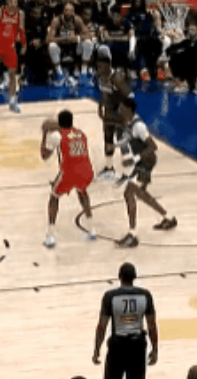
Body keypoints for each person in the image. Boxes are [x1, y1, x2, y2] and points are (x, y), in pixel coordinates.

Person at [110, 90, 177, 247]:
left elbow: (153, 146)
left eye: (122, 107)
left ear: (128, 109)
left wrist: (135, 158)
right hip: (142, 161)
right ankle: (168, 218)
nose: (120, 109)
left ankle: (132, 235)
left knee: (129, 193)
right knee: (140, 193)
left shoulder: (138, 126)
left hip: (147, 161)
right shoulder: (127, 122)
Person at [40, 109, 96, 248]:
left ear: (59, 123)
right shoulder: (81, 133)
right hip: (87, 171)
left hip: (69, 172)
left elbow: (44, 155)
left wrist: (45, 134)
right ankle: (92, 229)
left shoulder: (56, 136)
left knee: (54, 197)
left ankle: (50, 236)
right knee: (82, 192)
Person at [92, 262, 158, 379]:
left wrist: (97, 349)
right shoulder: (145, 295)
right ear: (134, 277)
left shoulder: (110, 296)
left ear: (119, 276)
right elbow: (152, 325)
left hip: (117, 347)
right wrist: (155, 349)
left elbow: (102, 326)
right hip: (137, 347)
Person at [95, 46, 134, 180]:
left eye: (102, 63)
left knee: (122, 141)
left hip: (119, 114)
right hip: (108, 114)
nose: (99, 68)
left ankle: (129, 172)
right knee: (108, 140)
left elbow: (130, 96)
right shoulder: (100, 77)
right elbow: (104, 93)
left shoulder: (116, 78)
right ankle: (109, 168)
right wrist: (100, 106)